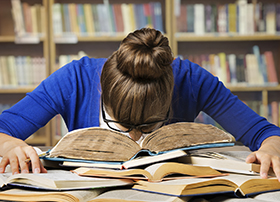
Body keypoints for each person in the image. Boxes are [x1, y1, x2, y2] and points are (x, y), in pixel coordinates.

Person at [0, 28, 280, 181]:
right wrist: (10, 145)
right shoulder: (73, 79)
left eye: (148, 127)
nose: (135, 140)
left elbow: (263, 133)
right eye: (120, 125)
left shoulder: (191, 79)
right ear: (102, 92)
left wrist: (271, 149)